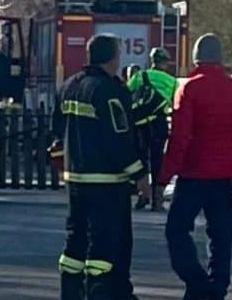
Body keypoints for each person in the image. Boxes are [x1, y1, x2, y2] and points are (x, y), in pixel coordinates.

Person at [53, 34, 148, 300]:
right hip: (107, 183)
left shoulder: (69, 86)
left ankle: (71, 294)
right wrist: (140, 175)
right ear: (114, 58)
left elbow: (57, 132)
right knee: (106, 245)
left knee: (75, 241)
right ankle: (105, 294)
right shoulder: (110, 91)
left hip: (75, 181)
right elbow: (119, 138)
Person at [160, 34, 232, 300]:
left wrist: (164, 176)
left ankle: (197, 281)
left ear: (196, 58)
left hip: (193, 174)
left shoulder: (189, 88)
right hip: (224, 175)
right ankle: (217, 286)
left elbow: (179, 137)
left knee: (177, 230)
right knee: (221, 236)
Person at [127, 48, 178, 211]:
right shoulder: (172, 81)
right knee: (157, 160)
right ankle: (157, 200)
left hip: (140, 123)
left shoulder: (140, 76)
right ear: (166, 62)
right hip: (159, 124)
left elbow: (126, 94)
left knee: (141, 158)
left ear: (152, 61)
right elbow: (176, 103)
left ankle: (143, 193)